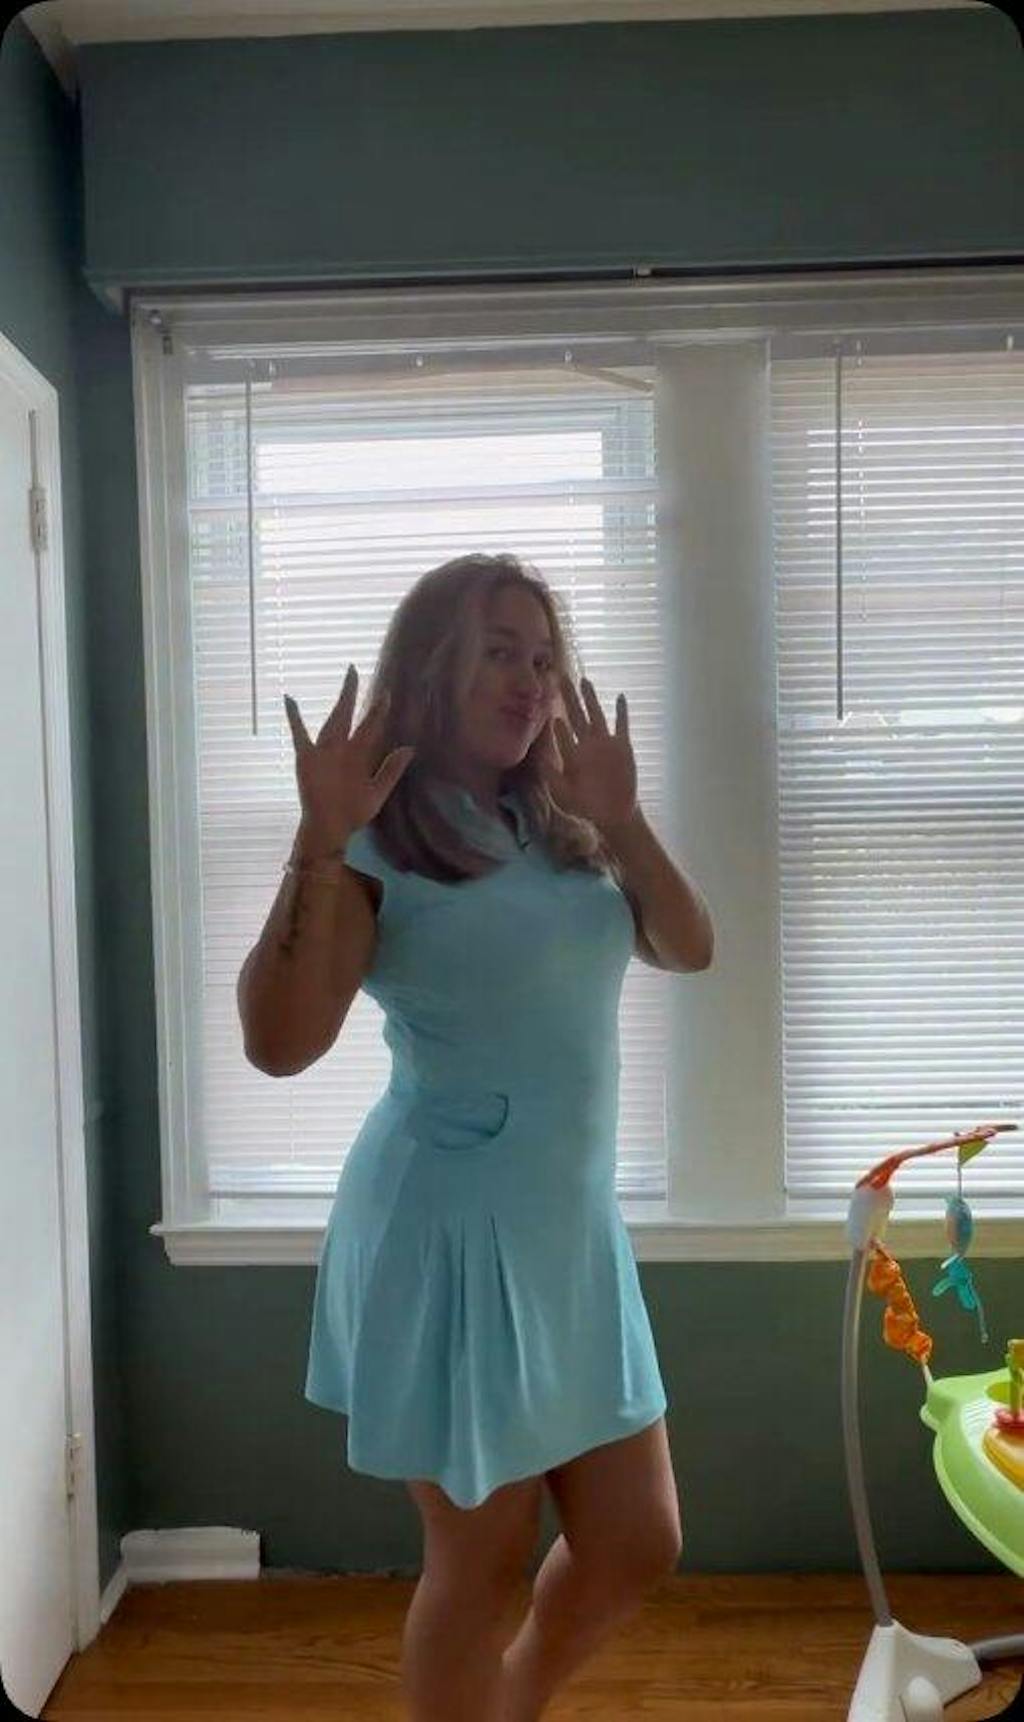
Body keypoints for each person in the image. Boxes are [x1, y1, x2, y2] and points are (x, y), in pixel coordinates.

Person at [236, 552, 714, 1722]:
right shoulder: (377, 839)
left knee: (636, 1540)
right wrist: (315, 841)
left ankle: (509, 1704)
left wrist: (623, 819)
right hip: (450, 1233)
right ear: (431, 665)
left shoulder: (561, 821)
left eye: (543, 658)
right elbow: (280, 1044)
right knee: (482, 1563)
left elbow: (687, 945)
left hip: (567, 1231)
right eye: (499, 652)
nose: (530, 681)